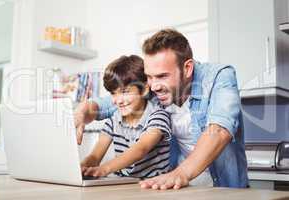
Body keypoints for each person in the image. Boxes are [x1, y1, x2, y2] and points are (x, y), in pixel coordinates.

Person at [74, 29, 248, 189]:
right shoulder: (155, 88)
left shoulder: (219, 77)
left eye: (162, 76)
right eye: (149, 77)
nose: (154, 86)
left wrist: (180, 174)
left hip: (222, 185)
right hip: (180, 186)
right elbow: (108, 103)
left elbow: (219, 130)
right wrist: (82, 111)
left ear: (187, 68)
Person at [80, 55, 172, 178]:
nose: (118, 100)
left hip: (154, 186)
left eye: (125, 92)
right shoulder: (114, 120)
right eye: (113, 93)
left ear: (144, 89)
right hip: (123, 184)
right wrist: (82, 168)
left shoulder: (158, 116)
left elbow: (141, 149)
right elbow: (95, 156)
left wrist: (103, 169)